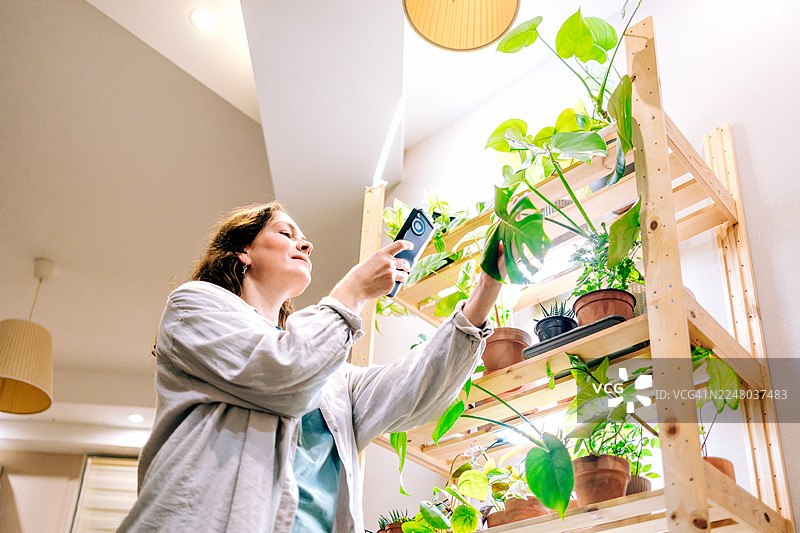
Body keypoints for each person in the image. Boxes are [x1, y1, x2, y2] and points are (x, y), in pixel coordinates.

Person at [118, 202, 502, 533]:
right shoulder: (194, 306)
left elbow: (417, 392)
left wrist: (486, 288)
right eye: (285, 233)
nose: (306, 243)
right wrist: (351, 292)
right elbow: (281, 370)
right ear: (242, 251)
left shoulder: (334, 378)